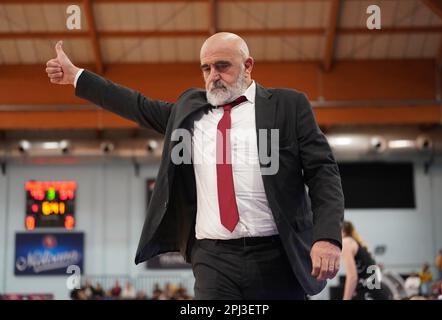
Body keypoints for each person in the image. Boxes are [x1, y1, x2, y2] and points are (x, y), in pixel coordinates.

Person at [45, 32, 344, 300]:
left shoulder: (289, 106)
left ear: (248, 65)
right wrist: (77, 77)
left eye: (222, 66)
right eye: (206, 68)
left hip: (277, 255)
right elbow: (136, 104)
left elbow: (323, 173)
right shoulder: (189, 111)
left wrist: (327, 237)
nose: (213, 75)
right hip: (212, 258)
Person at [341, 221, 390, 300]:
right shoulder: (355, 242)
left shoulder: (346, 243)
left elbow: (352, 277)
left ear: (342, 230)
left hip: (369, 293)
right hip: (377, 291)